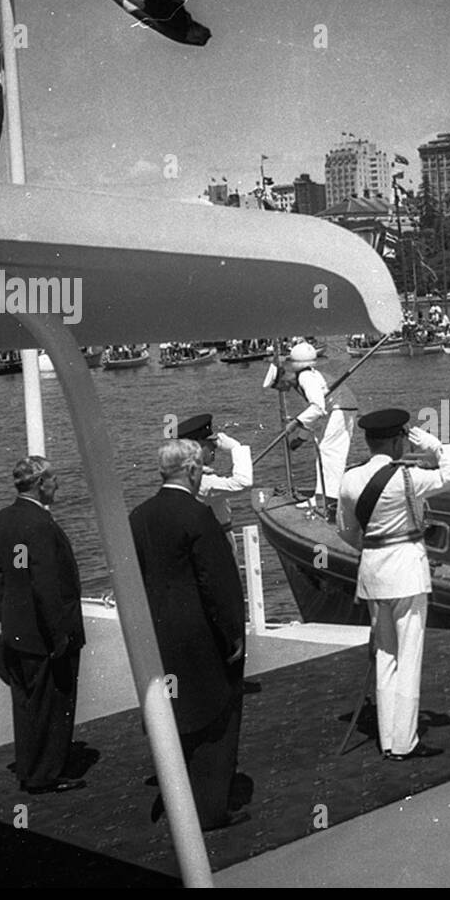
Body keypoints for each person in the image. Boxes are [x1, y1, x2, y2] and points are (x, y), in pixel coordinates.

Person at [130, 438, 249, 831]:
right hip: (199, 634)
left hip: (156, 633)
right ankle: (211, 809)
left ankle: (176, 798)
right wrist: (233, 634)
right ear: (194, 470)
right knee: (216, 720)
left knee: (175, 713)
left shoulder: (139, 516)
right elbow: (219, 583)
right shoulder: (199, 517)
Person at [337, 409, 450, 760]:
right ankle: (405, 741)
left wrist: (374, 547)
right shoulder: (407, 477)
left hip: (372, 573)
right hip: (407, 573)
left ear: (368, 440)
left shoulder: (349, 479)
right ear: (399, 440)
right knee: (408, 659)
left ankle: (389, 738)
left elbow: (347, 532)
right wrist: (435, 444)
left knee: (385, 656)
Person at [0, 457, 86, 794]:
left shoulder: (5, 518)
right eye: (53, 478)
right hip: (46, 633)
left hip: (18, 630)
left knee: (26, 701)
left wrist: (7, 615)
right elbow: (46, 584)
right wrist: (59, 634)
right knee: (53, 702)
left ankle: (30, 767)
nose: (57, 484)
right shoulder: (40, 524)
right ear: (40, 483)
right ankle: (46, 773)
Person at [264, 342, 358, 517]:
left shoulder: (305, 378)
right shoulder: (301, 383)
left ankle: (332, 502)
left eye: (278, 386)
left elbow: (317, 408)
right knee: (322, 454)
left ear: (283, 377)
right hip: (334, 410)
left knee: (330, 453)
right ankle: (320, 496)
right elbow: (315, 414)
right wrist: (301, 437)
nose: (281, 390)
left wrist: (294, 424)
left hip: (341, 409)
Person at [176, 413, 252, 534]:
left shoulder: (184, 474)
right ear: (197, 447)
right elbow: (244, 483)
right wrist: (236, 447)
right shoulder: (201, 481)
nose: (214, 448)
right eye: (210, 444)